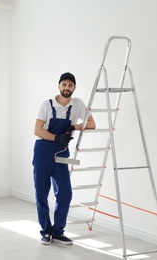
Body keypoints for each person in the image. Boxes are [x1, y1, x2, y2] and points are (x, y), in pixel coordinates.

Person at [32, 72, 96, 245]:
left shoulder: (78, 105)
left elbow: (91, 124)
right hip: (43, 153)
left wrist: (72, 126)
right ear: (59, 86)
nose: (67, 88)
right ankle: (45, 231)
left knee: (65, 194)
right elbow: (37, 130)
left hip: (62, 154)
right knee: (41, 194)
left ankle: (58, 231)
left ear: (74, 87)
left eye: (70, 85)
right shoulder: (47, 104)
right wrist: (56, 138)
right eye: (64, 85)